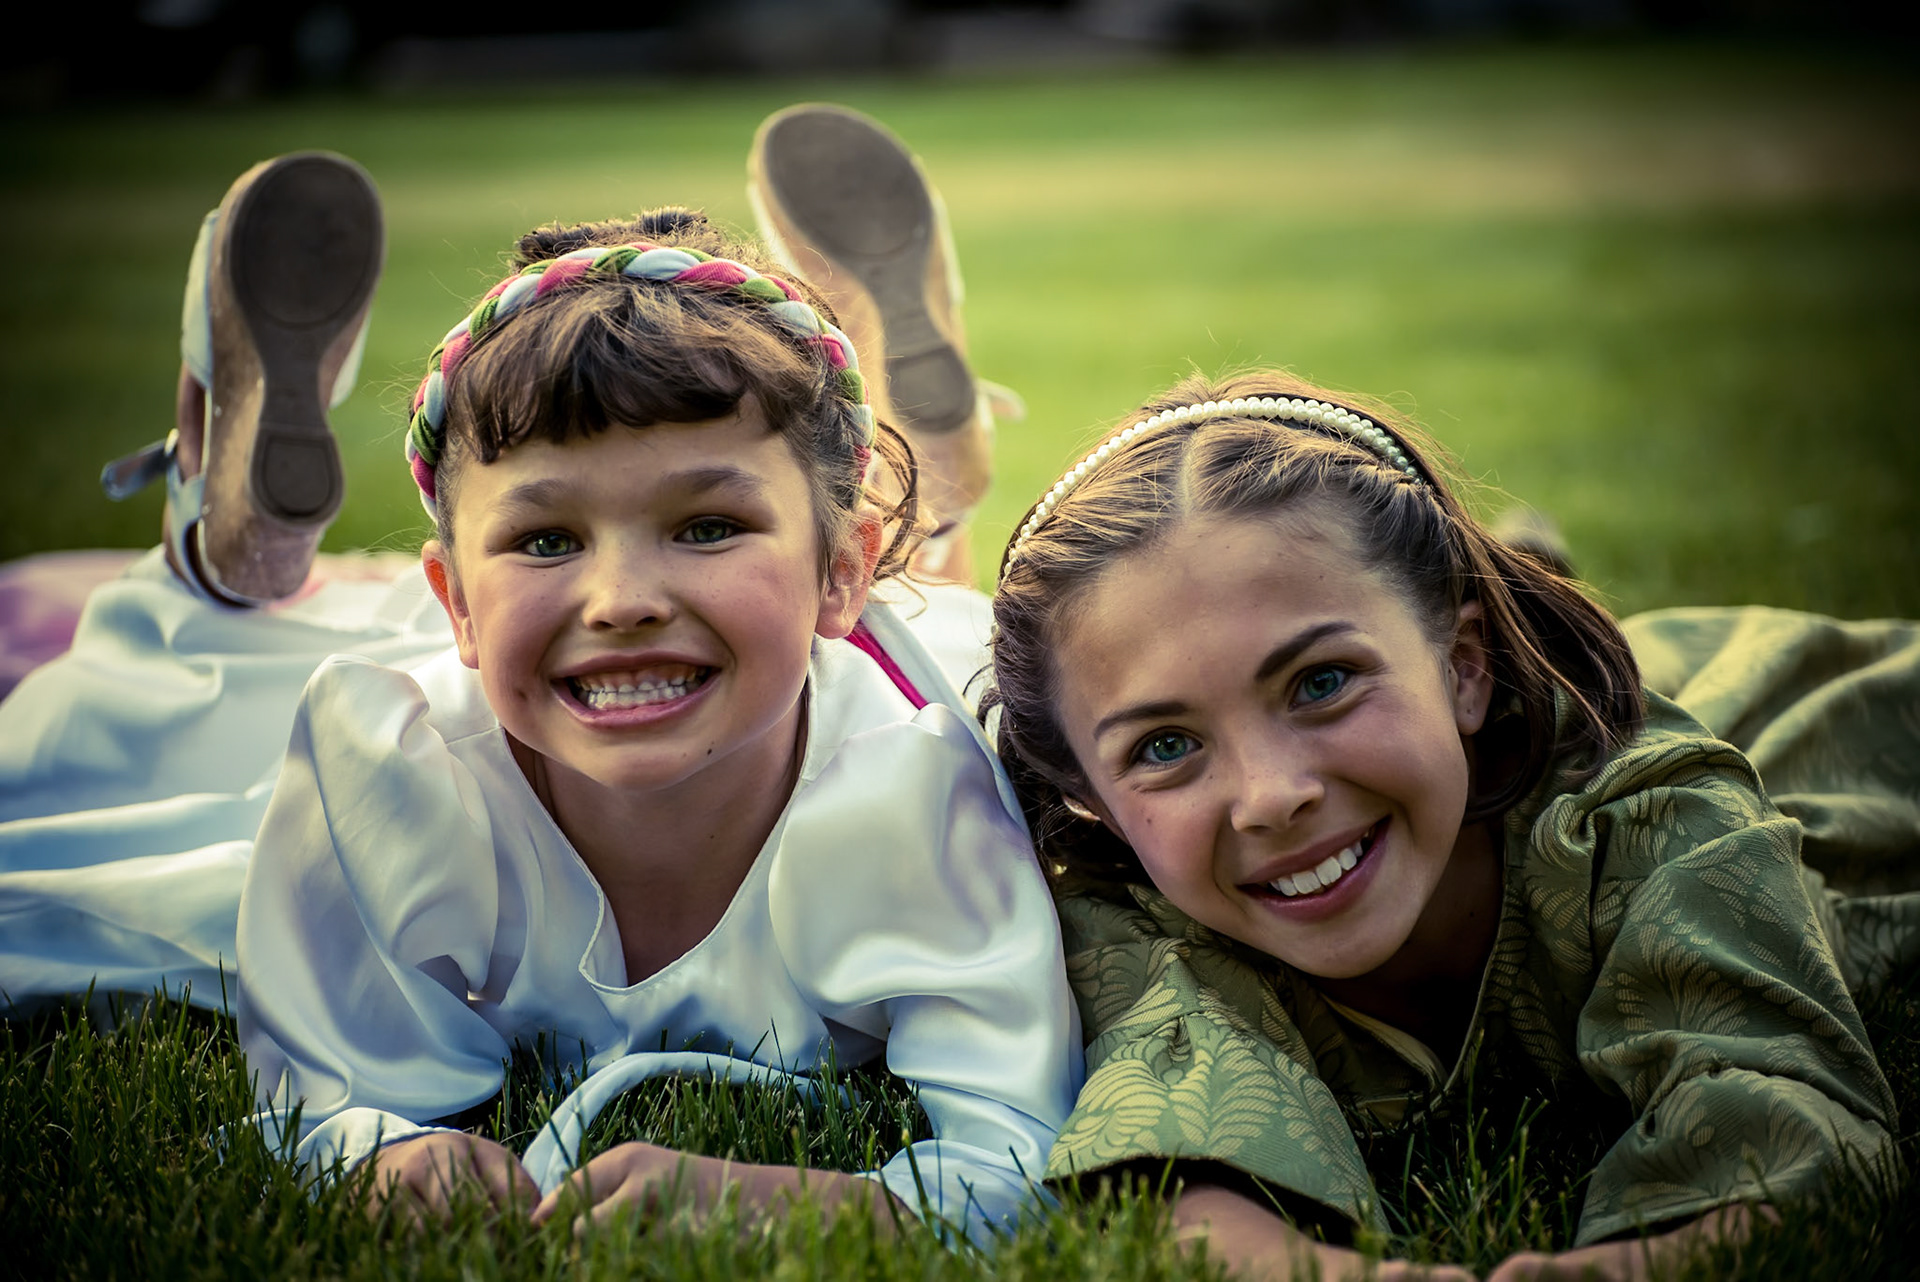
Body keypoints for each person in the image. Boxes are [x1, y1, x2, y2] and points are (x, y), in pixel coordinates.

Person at [1, 121, 1081, 1243]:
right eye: (548, 540)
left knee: (970, 636)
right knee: (132, 777)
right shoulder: (396, 776)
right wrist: (378, 1148)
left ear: (837, 570)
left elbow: (1024, 1146)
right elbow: (328, 1092)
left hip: (881, 630)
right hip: (647, 655)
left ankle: (920, 504)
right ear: (455, 603)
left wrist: (826, 1203)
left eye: (706, 524)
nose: (621, 596)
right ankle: (221, 555)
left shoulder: (917, 793)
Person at [983, 369, 1916, 1281]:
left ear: (1464, 666)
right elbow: (1175, 1174)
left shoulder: (1638, 807)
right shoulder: (1123, 906)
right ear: (1090, 803)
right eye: (1164, 745)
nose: (1270, 797)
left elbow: (1789, 1123)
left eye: (1321, 682)